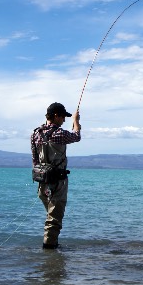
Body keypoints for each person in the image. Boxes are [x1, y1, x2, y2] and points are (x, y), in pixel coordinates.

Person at [31, 102, 81, 249]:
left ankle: (50, 249)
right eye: (62, 117)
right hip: (57, 182)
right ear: (55, 116)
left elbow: (35, 159)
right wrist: (76, 121)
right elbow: (76, 136)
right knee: (54, 218)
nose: (64, 120)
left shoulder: (35, 133)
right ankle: (49, 251)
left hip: (42, 181)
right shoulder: (59, 134)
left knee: (52, 216)